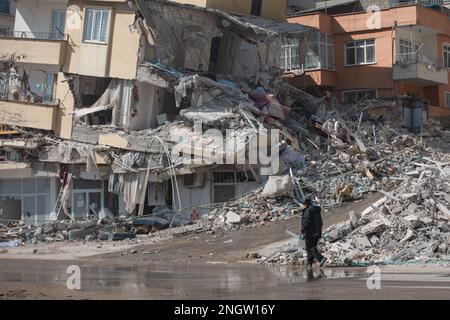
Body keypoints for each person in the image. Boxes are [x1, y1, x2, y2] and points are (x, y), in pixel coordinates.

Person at [300, 198, 327, 268]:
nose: (302, 206)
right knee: (310, 248)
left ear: (306, 204)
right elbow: (320, 222)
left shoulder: (308, 211)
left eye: (303, 204)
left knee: (310, 247)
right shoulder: (316, 210)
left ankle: (321, 258)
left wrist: (302, 230)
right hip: (317, 232)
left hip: (310, 233)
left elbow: (306, 222)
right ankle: (309, 263)